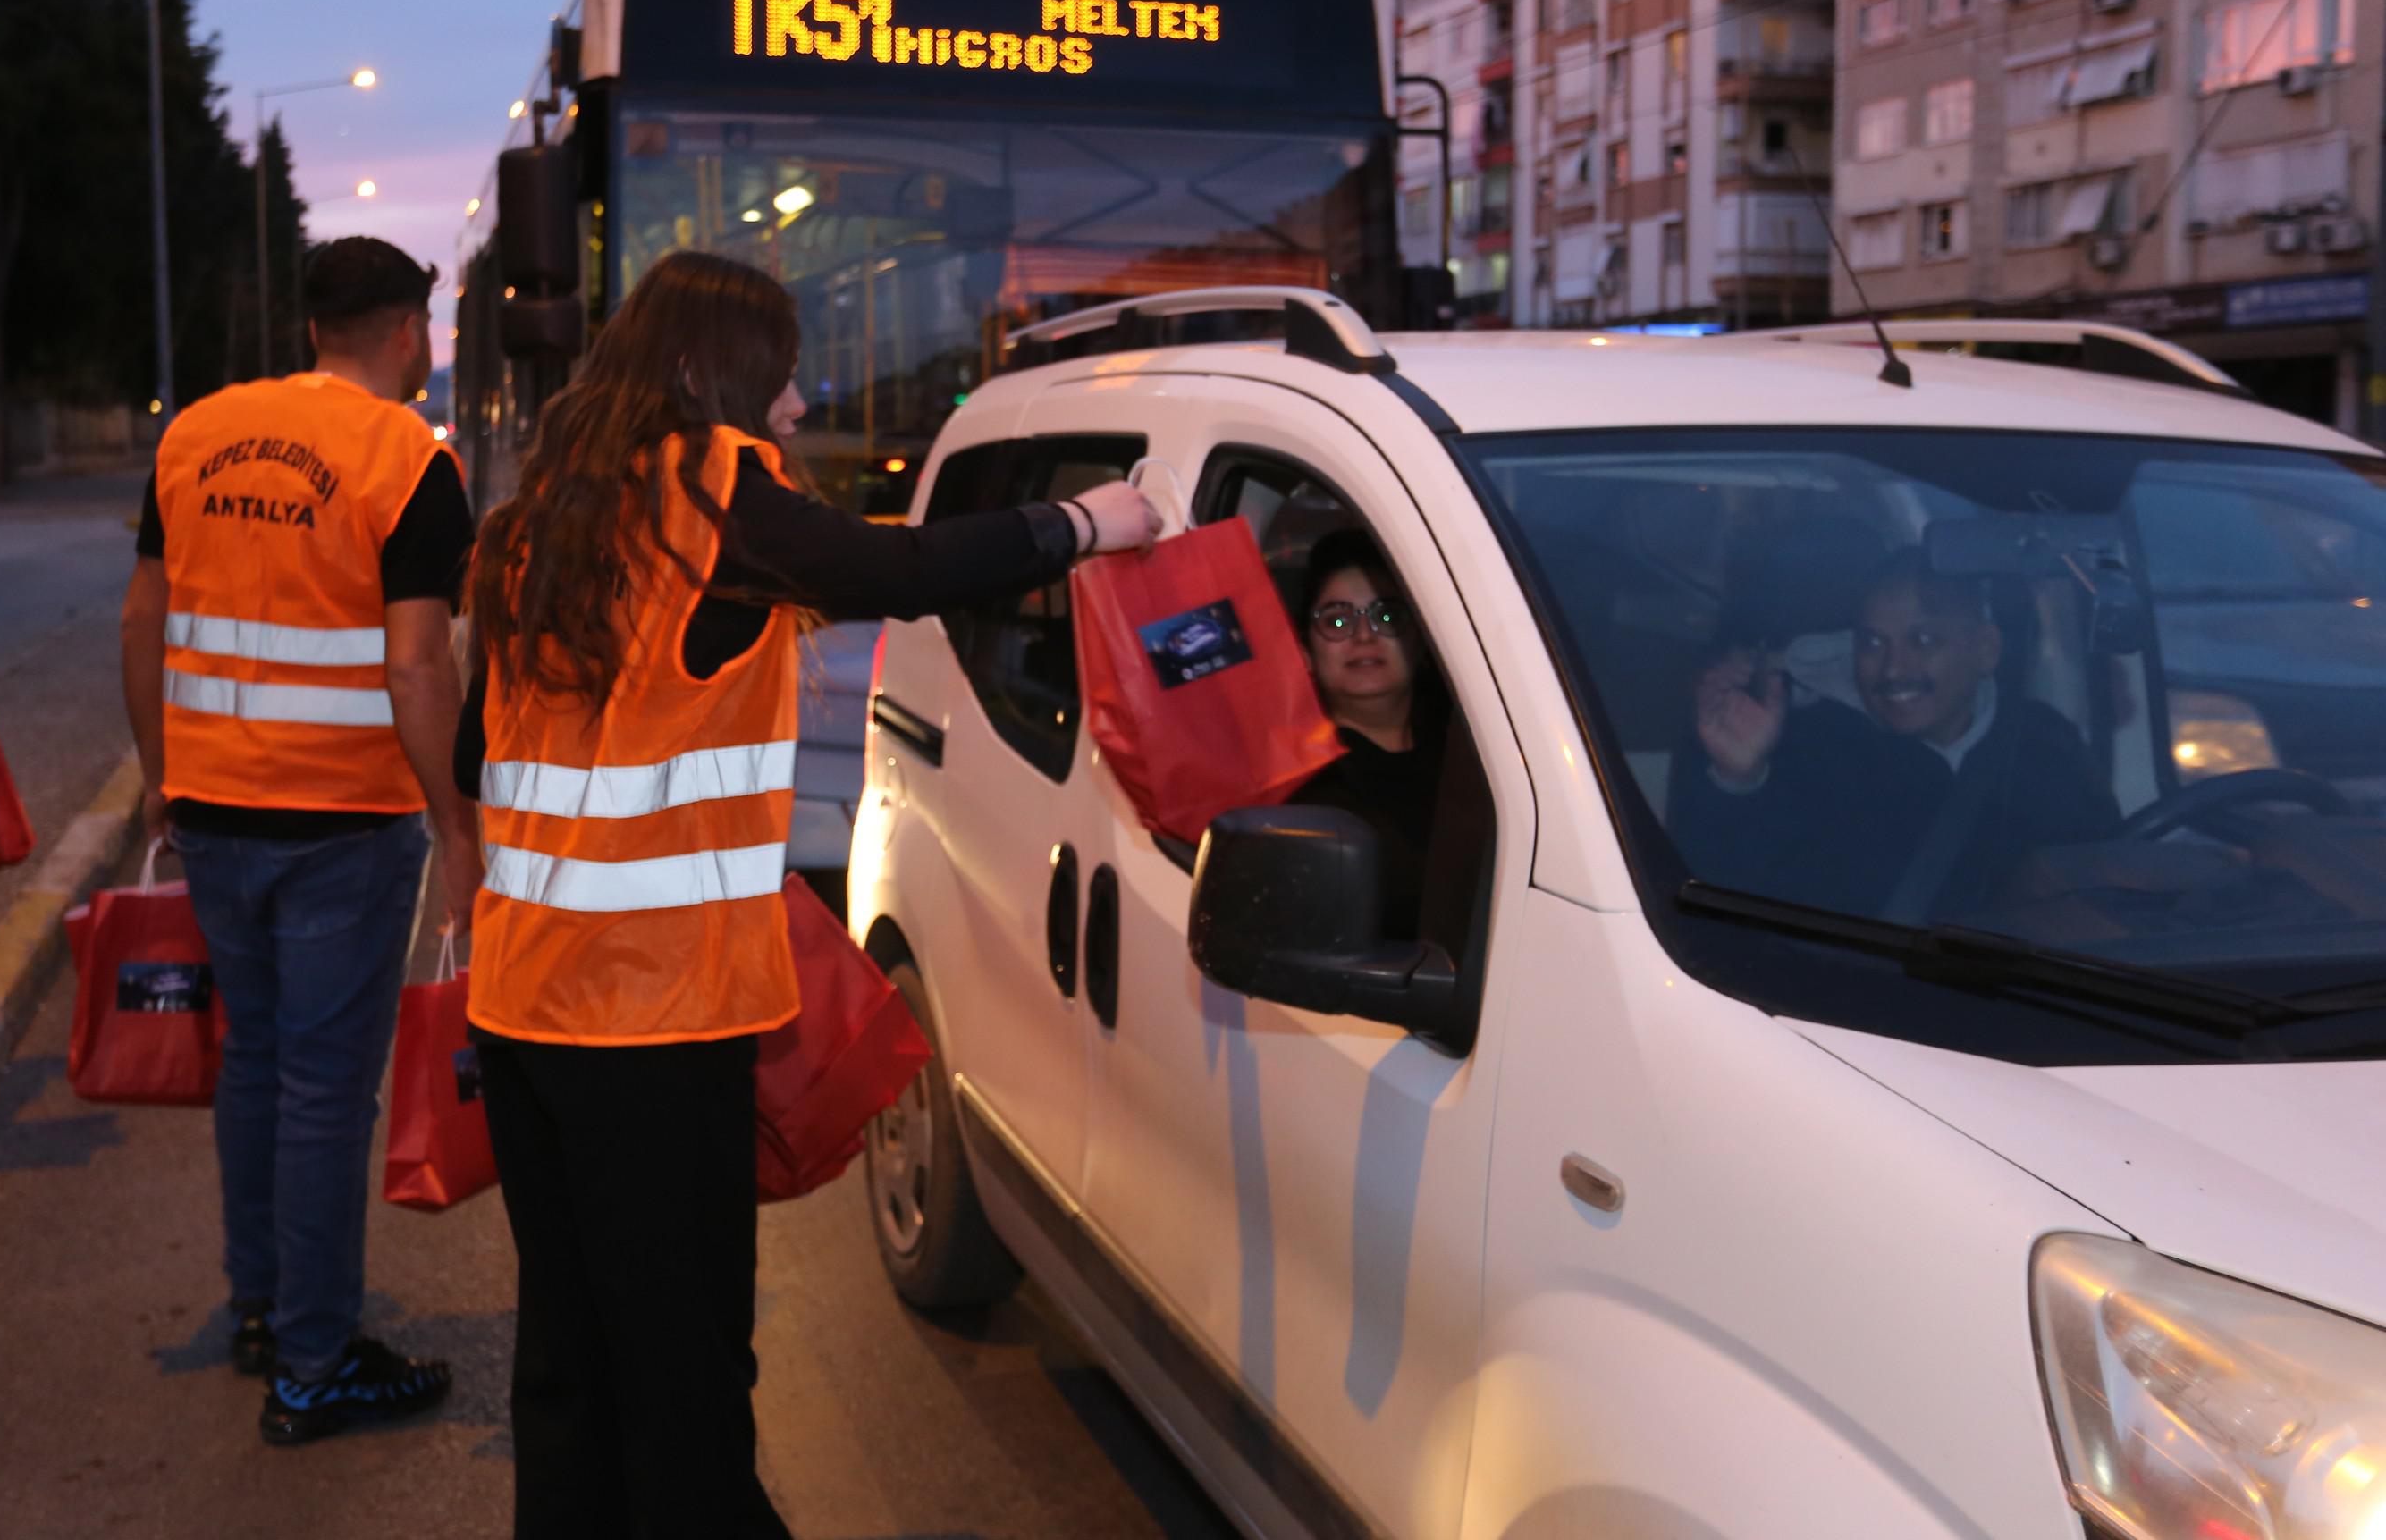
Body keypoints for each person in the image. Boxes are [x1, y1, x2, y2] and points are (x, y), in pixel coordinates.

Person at [456, 249, 1158, 1538]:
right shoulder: (711, 487)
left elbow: (473, 758)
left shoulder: (532, 520)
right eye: (777, 381)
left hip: (522, 1010)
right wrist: (1085, 525)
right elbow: (891, 573)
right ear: (700, 374)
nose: (792, 409)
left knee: (568, 1356)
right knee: (686, 1366)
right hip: (654, 1020)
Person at [120, 237, 476, 1445]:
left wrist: (162, 779)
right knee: (327, 1089)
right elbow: (420, 660)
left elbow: (142, 622)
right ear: (406, 330)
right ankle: (318, 1366)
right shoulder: (408, 458)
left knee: (259, 1065)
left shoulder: (195, 436)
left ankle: (264, 1309)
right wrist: (455, 820)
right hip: (343, 822)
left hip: (214, 806)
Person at [1670, 548, 2120, 920]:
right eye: (1872, 643)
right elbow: (1725, 901)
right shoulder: (1805, 747)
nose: (1893, 669)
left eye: (1923, 641)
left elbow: (2105, 877)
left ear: (1985, 650)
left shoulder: (2045, 744)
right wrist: (1738, 780)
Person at [1287, 529, 1442, 938]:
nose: (1363, 635)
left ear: (1424, 640)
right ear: (1305, 650)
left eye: (1386, 616)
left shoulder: (1484, 759)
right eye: (1337, 620)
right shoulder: (1302, 793)